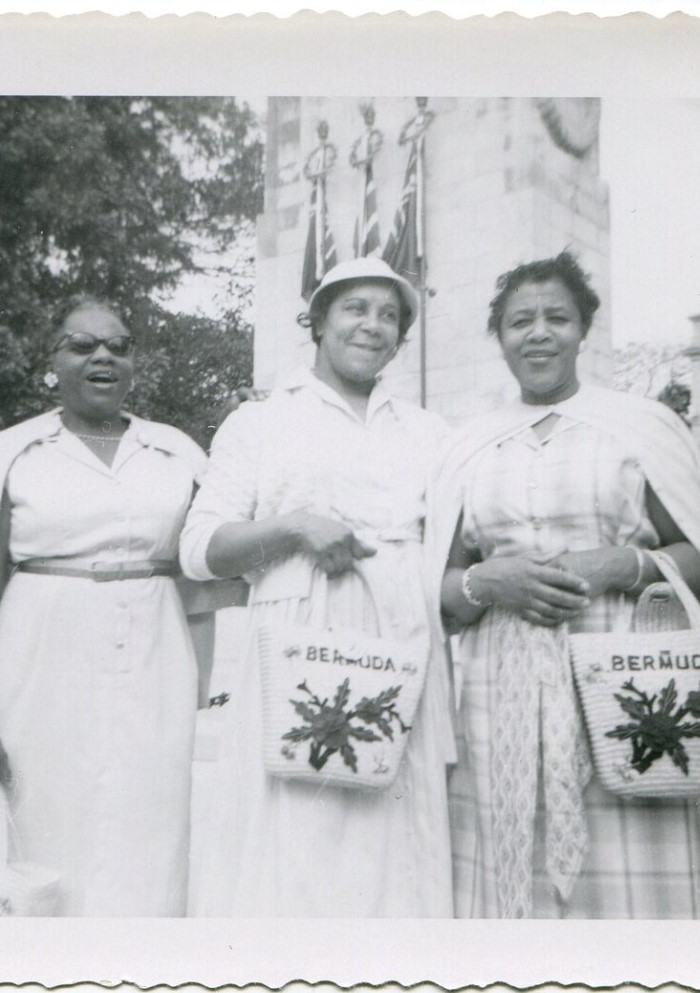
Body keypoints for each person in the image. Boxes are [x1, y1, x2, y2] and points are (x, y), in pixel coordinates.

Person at [429, 251, 700, 919]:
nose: (538, 332)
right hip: (498, 690)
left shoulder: (639, 427)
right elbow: (442, 588)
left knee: (629, 878)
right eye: (519, 321)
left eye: (555, 317)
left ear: (582, 329)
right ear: (500, 337)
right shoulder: (470, 444)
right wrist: (487, 579)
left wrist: (619, 564)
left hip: (624, 679)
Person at [179, 257, 455, 917]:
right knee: (297, 832)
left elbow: (454, 548)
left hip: (399, 635)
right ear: (319, 319)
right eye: (356, 308)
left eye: (390, 315)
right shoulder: (262, 421)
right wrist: (295, 527)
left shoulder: (428, 432)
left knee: (392, 831)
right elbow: (199, 550)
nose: (373, 326)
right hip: (296, 637)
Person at [0, 297, 206, 916]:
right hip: (41, 666)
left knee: (151, 836)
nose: (103, 357)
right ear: (51, 361)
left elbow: (208, 573)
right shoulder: (6, 454)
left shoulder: (177, 452)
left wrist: (209, 692)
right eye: (82, 344)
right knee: (48, 832)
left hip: (155, 662)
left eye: (119, 346)